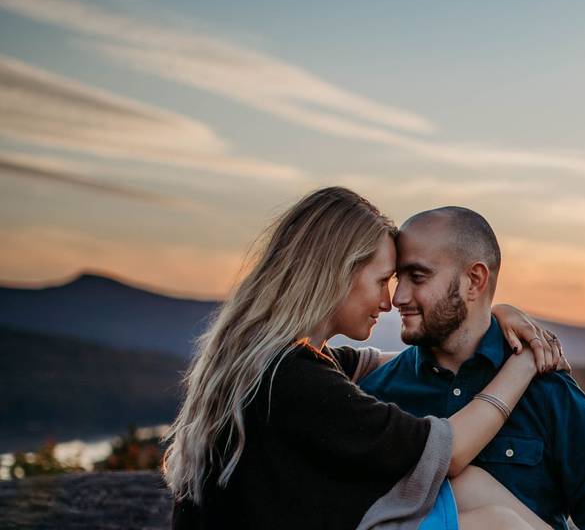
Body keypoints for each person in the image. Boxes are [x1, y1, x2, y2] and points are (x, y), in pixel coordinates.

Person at [163, 187, 560, 529]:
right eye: (382, 281)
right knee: (498, 524)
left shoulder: (270, 359)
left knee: (471, 488)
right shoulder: (292, 381)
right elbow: (449, 451)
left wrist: (488, 320)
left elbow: (388, 363)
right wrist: (524, 362)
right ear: (338, 274)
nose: (390, 301)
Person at [360, 207, 585, 530]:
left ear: (474, 280)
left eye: (417, 277)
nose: (398, 297)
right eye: (396, 278)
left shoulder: (547, 389)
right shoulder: (378, 394)